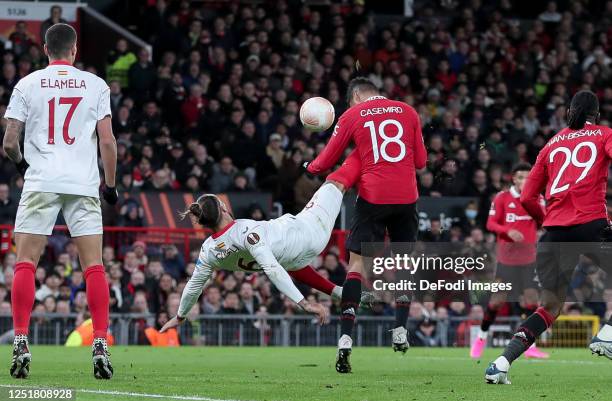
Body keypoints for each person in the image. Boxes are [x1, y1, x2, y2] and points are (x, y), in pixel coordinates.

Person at [2, 24, 118, 379]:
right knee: (93, 266)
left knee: (26, 263)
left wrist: (25, 167)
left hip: (41, 180)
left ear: (45, 49)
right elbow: (108, 142)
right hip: (82, 183)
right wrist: (110, 187)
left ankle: (21, 338)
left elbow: (8, 142)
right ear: (74, 49)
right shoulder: (96, 85)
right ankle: (99, 342)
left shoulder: (27, 83)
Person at [486, 90, 612, 384]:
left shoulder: (551, 144)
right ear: (596, 113)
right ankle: (606, 335)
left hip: (555, 233)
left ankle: (501, 363)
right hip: (592, 224)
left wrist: (550, 222)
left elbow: (529, 196)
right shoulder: (604, 134)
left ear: (570, 111)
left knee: (550, 307)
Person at [307, 77, 427, 373]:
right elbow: (422, 162)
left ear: (356, 97)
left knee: (357, 266)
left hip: (373, 197)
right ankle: (400, 328)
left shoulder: (353, 115)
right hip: (406, 198)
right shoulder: (408, 111)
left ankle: (345, 339)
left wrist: (309, 168)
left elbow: (326, 160)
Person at [160, 178, 351, 334]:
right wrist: (304, 303)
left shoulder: (209, 251)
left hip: (291, 260)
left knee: (291, 263)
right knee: (336, 181)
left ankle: (340, 293)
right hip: (308, 234)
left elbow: (193, 286)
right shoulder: (245, 230)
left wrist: (180, 316)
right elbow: (272, 269)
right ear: (223, 207)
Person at [470, 163, 549, 359]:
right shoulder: (502, 198)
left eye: (528, 177)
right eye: (521, 177)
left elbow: (544, 221)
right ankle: (480, 338)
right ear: (513, 178)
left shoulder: (537, 198)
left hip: (529, 260)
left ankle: (529, 345)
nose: (524, 180)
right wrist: (507, 231)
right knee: (496, 302)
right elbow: (490, 223)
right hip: (506, 261)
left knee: (531, 301)